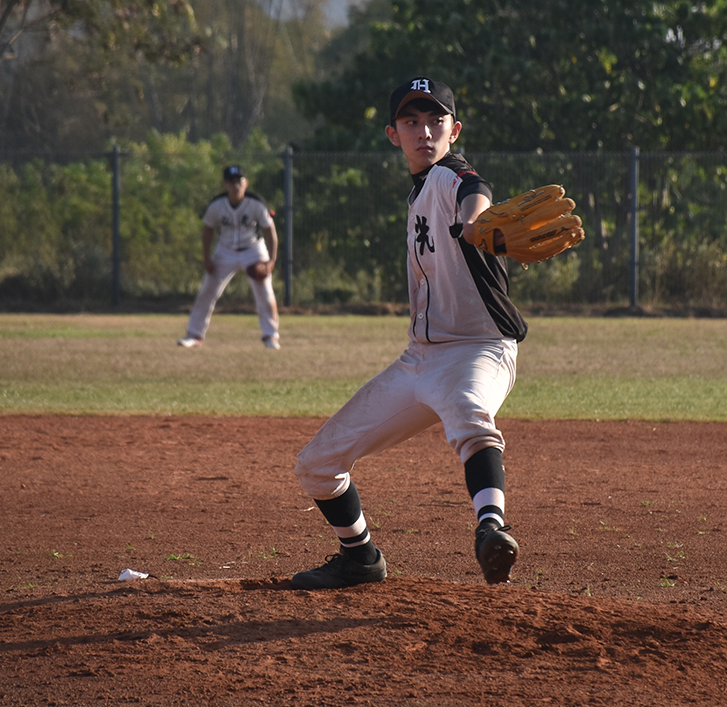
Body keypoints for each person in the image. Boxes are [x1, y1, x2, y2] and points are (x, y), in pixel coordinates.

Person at [289, 76, 523, 589]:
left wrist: (474, 221)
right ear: (393, 135)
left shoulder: (448, 178)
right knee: (318, 464)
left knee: (469, 414)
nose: (424, 131)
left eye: (435, 120)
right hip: (418, 361)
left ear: (454, 130)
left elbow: (473, 188)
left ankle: (491, 529)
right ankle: (361, 558)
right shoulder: (418, 191)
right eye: (411, 122)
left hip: (477, 350)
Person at [177, 165, 281, 349]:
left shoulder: (256, 203)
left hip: (253, 249)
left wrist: (271, 260)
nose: (236, 186)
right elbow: (207, 230)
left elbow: (269, 230)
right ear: (225, 184)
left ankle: (271, 336)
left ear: (246, 183)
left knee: (265, 294)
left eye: (239, 181)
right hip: (225, 251)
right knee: (207, 291)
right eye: (231, 182)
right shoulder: (217, 205)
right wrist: (207, 258)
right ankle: (194, 335)